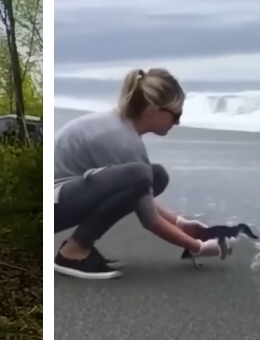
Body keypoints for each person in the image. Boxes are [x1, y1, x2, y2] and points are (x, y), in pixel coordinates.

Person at [54, 68, 233, 280]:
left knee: (155, 175)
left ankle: (79, 246)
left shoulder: (118, 127)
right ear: (152, 109)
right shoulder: (119, 138)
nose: (178, 122)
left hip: (63, 199)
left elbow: (140, 196)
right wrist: (198, 247)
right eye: (176, 115)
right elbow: (150, 219)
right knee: (142, 174)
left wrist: (182, 224)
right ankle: (73, 253)